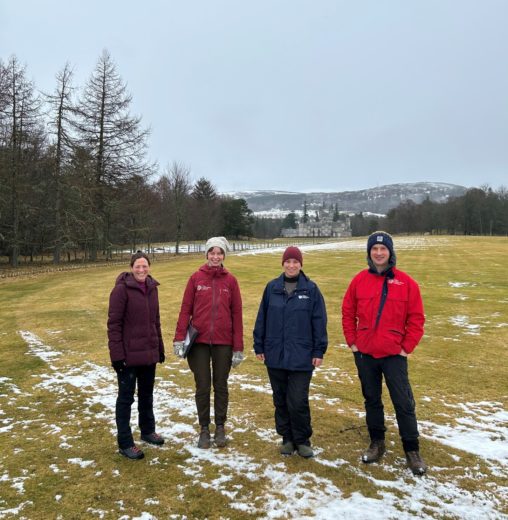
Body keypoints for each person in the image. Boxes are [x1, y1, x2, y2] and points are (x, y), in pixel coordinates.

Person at [342, 231, 427, 475]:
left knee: (403, 403)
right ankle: (377, 443)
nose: (379, 253)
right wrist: (353, 343)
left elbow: (417, 319)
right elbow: (348, 312)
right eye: (374, 249)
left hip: (393, 355)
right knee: (372, 400)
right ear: (369, 253)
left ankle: (412, 450)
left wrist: (405, 348)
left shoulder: (406, 283)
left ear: (390, 252)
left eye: (383, 249)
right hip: (365, 354)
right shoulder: (359, 280)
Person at [253, 246, 327, 458]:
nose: (292, 265)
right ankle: (286, 438)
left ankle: (302, 440)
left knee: (298, 400)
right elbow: (262, 318)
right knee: (281, 399)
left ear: (301, 264)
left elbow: (319, 322)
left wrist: (318, 350)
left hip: (301, 356)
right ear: (283, 263)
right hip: (275, 353)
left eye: (296, 262)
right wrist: (259, 345)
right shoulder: (272, 288)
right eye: (288, 261)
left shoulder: (311, 290)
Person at [173, 237, 244, 449]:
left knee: (220, 385)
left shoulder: (230, 281)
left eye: (219, 253)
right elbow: (185, 309)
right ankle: (204, 428)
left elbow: (237, 314)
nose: (215, 256)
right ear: (206, 254)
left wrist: (238, 347)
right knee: (203, 386)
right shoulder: (196, 278)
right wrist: (179, 338)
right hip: (199, 343)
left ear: (224, 255)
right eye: (212, 252)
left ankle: (220, 427)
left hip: (224, 342)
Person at [107, 251, 165, 460]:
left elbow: (155, 321)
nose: (141, 270)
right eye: (137, 266)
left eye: (144, 266)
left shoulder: (152, 289)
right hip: (128, 357)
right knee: (125, 399)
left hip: (148, 354)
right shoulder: (121, 290)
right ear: (132, 268)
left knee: (146, 395)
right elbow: (114, 325)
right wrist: (117, 356)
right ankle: (125, 442)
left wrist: (159, 348)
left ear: (149, 267)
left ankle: (148, 431)